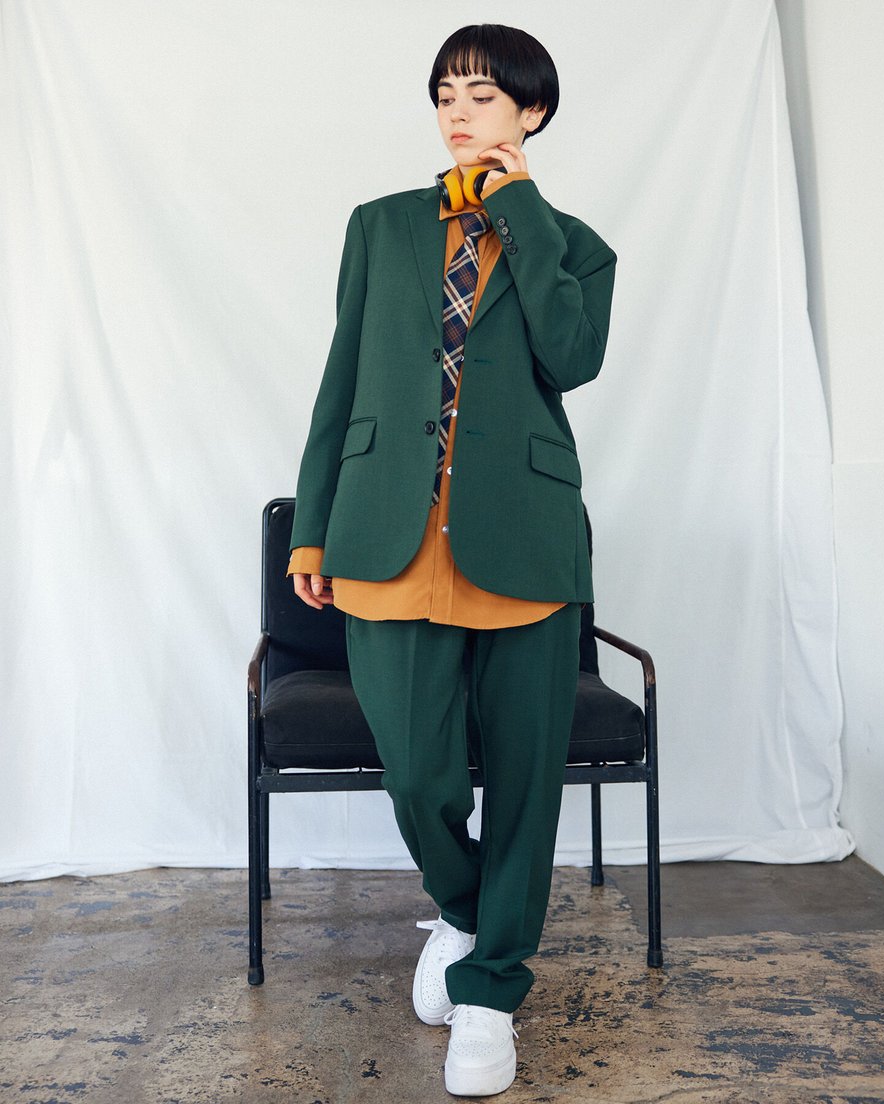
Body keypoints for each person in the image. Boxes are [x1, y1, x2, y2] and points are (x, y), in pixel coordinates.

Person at [287, 23, 616, 1098]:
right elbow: (342, 380)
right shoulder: (379, 227)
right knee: (418, 771)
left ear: (531, 112)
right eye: (444, 93)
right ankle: (469, 912)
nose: (458, 111)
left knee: (524, 782)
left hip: (522, 535)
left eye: (482, 94)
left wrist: (518, 210)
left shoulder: (574, 243)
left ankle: (489, 994)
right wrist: (312, 526)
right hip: (385, 531)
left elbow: (571, 356)